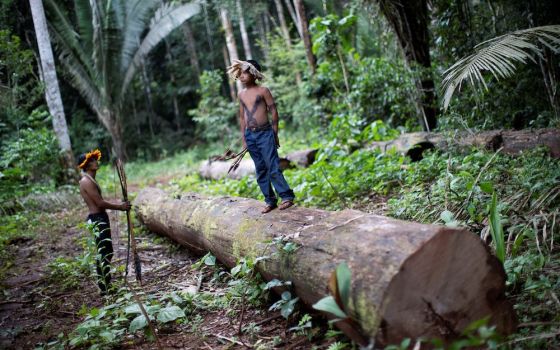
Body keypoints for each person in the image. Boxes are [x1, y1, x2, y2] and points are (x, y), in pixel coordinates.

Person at [227, 59, 295, 213]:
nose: (242, 76)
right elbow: (242, 117)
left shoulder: (263, 91)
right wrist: (245, 138)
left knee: (272, 166)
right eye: (241, 73)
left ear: (254, 74)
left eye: (246, 72)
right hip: (251, 136)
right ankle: (270, 200)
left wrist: (275, 134)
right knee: (260, 169)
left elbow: (274, 112)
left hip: (265, 133)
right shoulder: (241, 94)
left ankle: (286, 196)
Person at [77, 149, 131, 294]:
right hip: (97, 219)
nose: (96, 162)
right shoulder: (86, 181)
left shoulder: (90, 179)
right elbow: (100, 203)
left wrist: (120, 205)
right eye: (92, 161)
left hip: (100, 218)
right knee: (104, 253)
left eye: (95, 159)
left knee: (107, 251)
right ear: (87, 165)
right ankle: (104, 288)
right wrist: (120, 207)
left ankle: (106, 285)